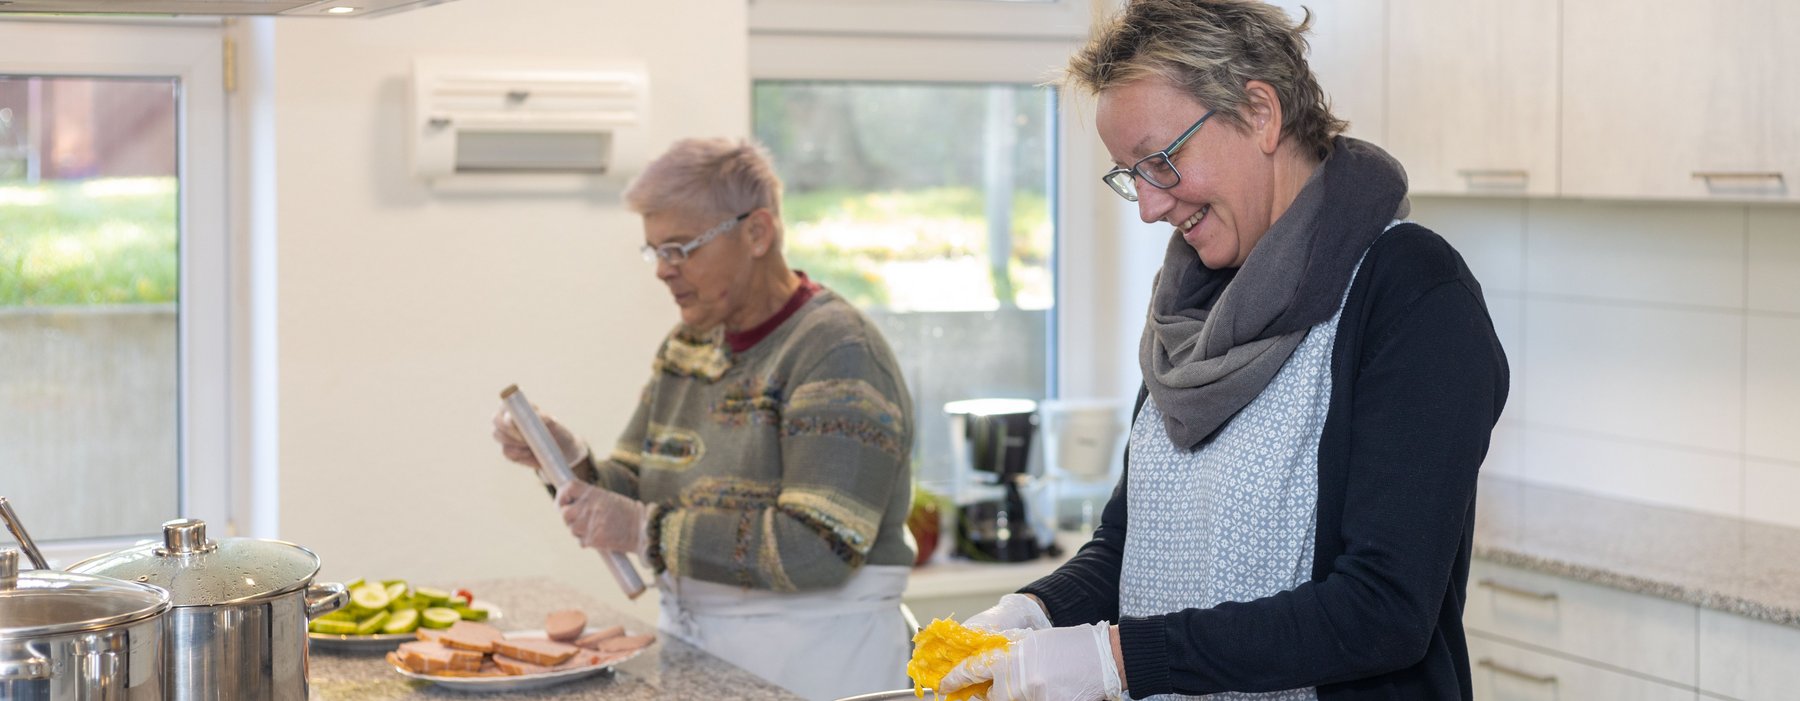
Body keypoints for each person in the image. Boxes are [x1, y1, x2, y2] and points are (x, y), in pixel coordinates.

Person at [938, 2, 1510, 700]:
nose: (1148, 206)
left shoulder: (1410, 292)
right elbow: (1129, 545)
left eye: (1161, 161)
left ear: (1260, 114)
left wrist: (1118, 658)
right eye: (1129, 174)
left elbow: (1381, 610)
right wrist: (1031, 612)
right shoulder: (1191, 308)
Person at [491, 137, 917, 701]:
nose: (663, 271)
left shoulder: (838, 353)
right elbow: (638, 490)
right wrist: (568, 461)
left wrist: (645, 530)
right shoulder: (688, 344)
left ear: (757, 232)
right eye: (654, 252)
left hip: (818, 664)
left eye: (679, 248)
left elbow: (818, 548)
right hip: (708, 657)